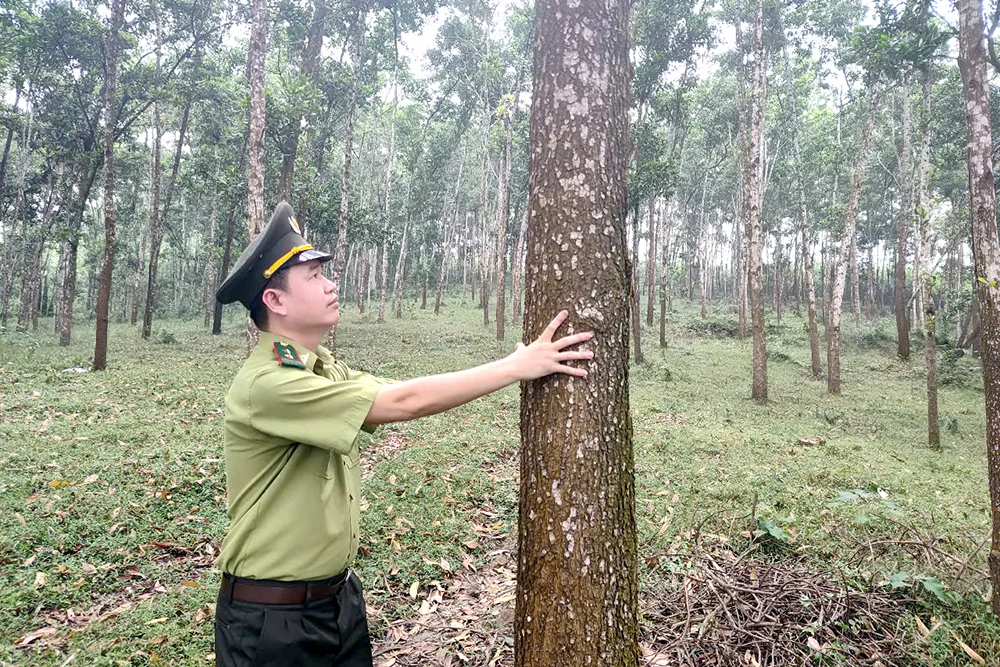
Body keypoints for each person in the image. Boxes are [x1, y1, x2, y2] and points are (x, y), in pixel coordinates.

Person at [212, 202, 595, 666]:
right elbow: (401, 404)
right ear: (276, 301)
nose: (331, 284)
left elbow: (394, 390)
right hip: (271, 622)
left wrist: (508, 367)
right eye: (313, 277)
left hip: (336, 604)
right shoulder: (267, 384)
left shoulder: (321, 368)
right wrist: (515, 368)